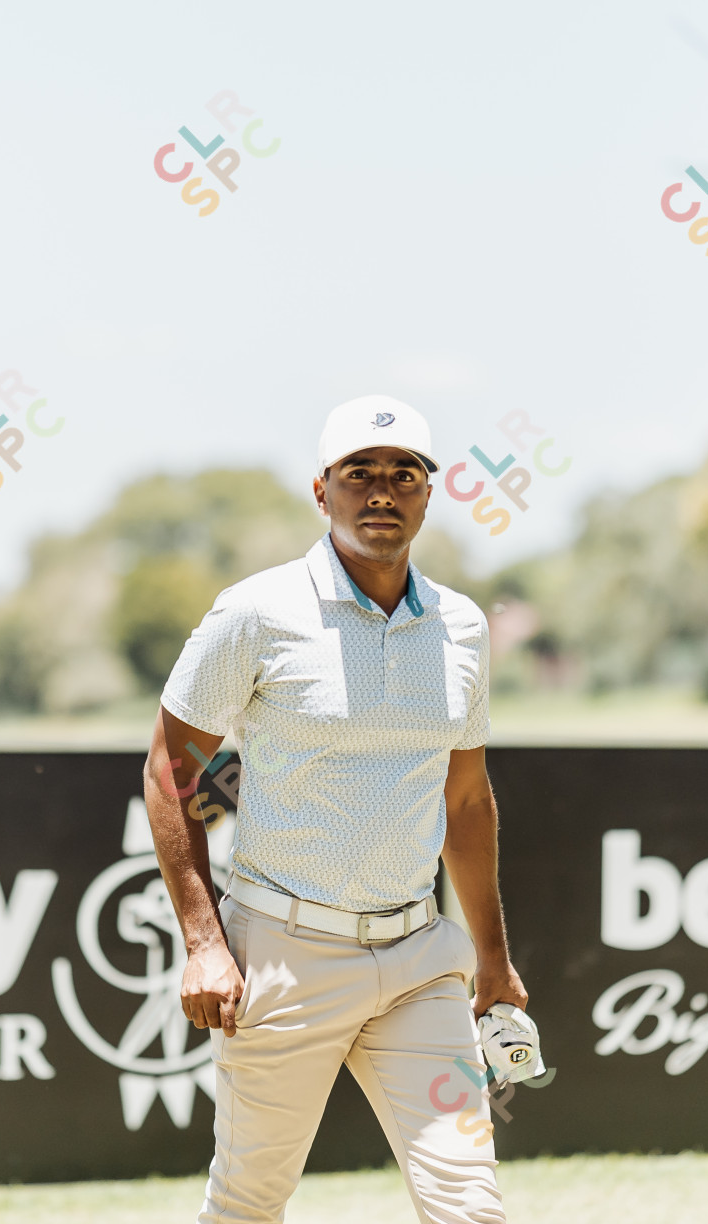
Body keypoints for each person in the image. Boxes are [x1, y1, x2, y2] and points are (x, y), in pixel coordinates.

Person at [141, 394, 526, 1223]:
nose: (381, 492)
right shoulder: (255, 612)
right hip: (284, 960)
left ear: (429, 491)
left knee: (471, 1204)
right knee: (248, 1205)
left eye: (403, 475)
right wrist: (205, 943)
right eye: (360, 475)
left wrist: (491, 961)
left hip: (419, 959)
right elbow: (170, 771)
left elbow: (465, 798)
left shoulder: (460, 625)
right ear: (323, 491)